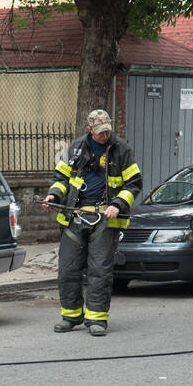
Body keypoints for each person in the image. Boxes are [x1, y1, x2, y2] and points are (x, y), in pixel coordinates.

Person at [43, 108, 143, 336]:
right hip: (75, 216)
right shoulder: (76, 148)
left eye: (107, 131)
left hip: (105, 219)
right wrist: (54, 196)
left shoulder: (122, 149)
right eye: (99, 133)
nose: (104, 136)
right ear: (89, 130)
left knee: (100, 271)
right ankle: (71, 315)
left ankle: (97, 319)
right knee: (68, 270)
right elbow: (61, 179)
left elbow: (134, 183)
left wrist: (117, 204)